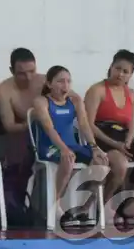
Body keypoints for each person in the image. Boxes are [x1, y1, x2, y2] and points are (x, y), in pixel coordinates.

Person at [84, 49, 134, 226]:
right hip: (102, 140)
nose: (120, 74)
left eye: (125, 71)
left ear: (131, 74)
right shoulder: (97, 90)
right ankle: (105, 205)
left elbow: (131, 124)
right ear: (111, 67)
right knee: (120, 164)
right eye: (117, 69)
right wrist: (115, 144)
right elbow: (88, 124)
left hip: (123, 141)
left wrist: (128, 140)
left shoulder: (133, 95)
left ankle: (131, 203)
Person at [32, 65, 107, 221]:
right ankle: (55, 204)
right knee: (68, 158)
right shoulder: (41, 102)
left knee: (102, 163)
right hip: (50, 148)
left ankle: (85, 207)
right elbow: (48, 127)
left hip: (72, 147)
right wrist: (63, 148)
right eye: (60, 81)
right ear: (49, 83)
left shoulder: (75, 101)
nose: (65, 85)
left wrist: (94, 147)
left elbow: (84, 125)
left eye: (68, 81)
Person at [0, 47, 42, 221]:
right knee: (18, 146)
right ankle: (14, 207)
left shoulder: (45, 82)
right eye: (22, 73)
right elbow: (9, 126)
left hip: (47, 134)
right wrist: (32, 120)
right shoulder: (4, 90)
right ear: (11, 71)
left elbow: (71, 99)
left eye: (32, 71)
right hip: (21, 135)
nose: (29, 77)